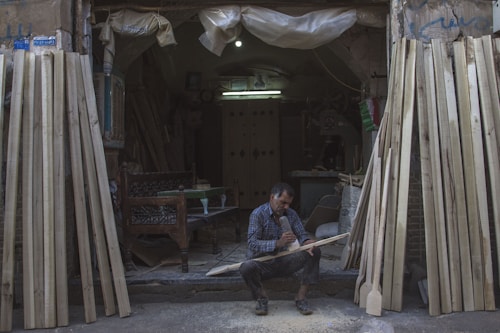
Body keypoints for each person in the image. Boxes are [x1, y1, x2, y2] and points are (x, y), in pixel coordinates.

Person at [239, 182, 321, 316]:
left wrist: (306, 242)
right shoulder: (258, 214)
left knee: (314, 251)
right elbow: (252, 243)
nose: (286, 207)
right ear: (272, 197)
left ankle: (301, 297)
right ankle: (261, 298)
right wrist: (278, 243)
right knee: (246, 267)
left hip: (284, 261)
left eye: (289, 203)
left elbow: (301, 234)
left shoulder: (291, 214)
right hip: (262, 263)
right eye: (283, 202)